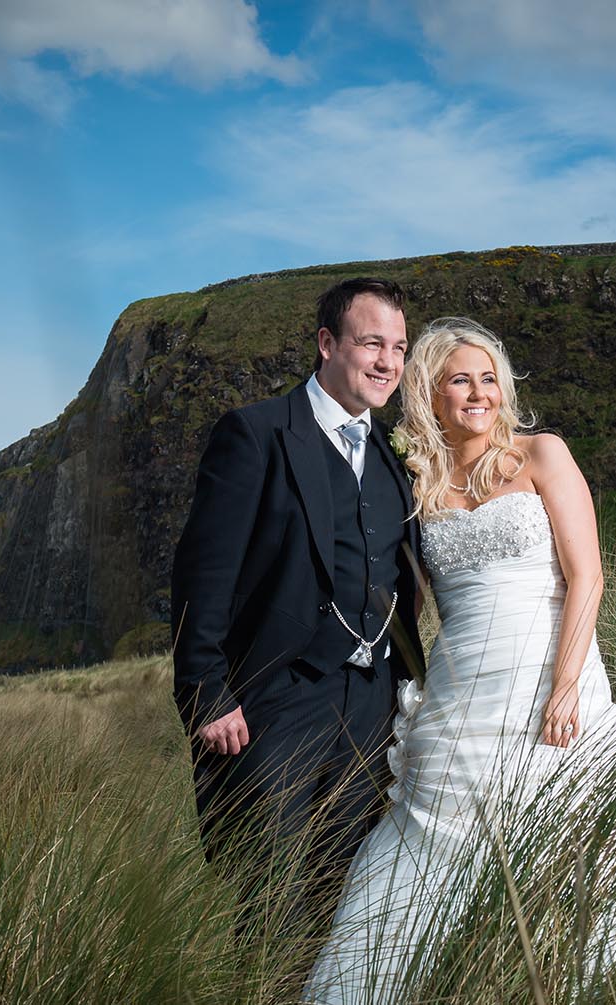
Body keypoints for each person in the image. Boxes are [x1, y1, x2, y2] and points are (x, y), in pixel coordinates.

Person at [302, 317, 616, 1002]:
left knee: (581, 832)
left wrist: (566, 687)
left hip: (548, 680)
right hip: (459, 691)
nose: (478, 393)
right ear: (431, 395)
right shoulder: (417, 484)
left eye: (488, 379)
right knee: (427, 839)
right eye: (460, 381)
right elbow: (405, 598)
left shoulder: (541, 454)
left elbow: (588, 576)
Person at [171, 277, 427, 935]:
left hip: (372, 706)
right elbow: (203, 573)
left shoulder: (395, 457)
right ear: (326, 343)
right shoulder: (255, 434)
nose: (387, 362)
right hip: (275, 699)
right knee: (267, 898)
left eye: (398, 348)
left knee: (343, 897)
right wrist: (206, 693)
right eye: (371, 343)